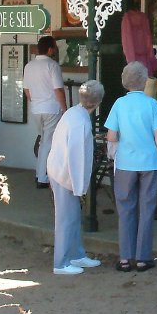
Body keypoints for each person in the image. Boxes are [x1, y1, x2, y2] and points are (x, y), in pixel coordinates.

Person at [104, 61, 157, 273]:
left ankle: (125, 258)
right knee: (147, 209)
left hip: (125, 163)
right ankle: (143, 258)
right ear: (144, 81)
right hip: (149, 162)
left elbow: (111, 136)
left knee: (125, 209)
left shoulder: (119, 104)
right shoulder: (152, 104)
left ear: (125, 81)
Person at [47, 80, 105, 275]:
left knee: (72, 216)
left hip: (59, 169)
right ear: (98, 102)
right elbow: (77, 158)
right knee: (66, 218)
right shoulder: (80, 122)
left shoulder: (73, 113)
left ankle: (76, 254)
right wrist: (79, 187)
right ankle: (61, 263)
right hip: (64, 173)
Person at [23, 36, 66, 189]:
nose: (55, 50)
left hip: (36, 108)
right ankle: (43, 177)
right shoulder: (52, 65)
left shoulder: (29, 66)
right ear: (49, 49)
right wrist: (64, 108)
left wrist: (35, 102)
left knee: (43, 141)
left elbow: (27, 90)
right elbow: (58, 90)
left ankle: (40, 173)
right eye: (54, 47)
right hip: (51, 108)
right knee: (48, 142)